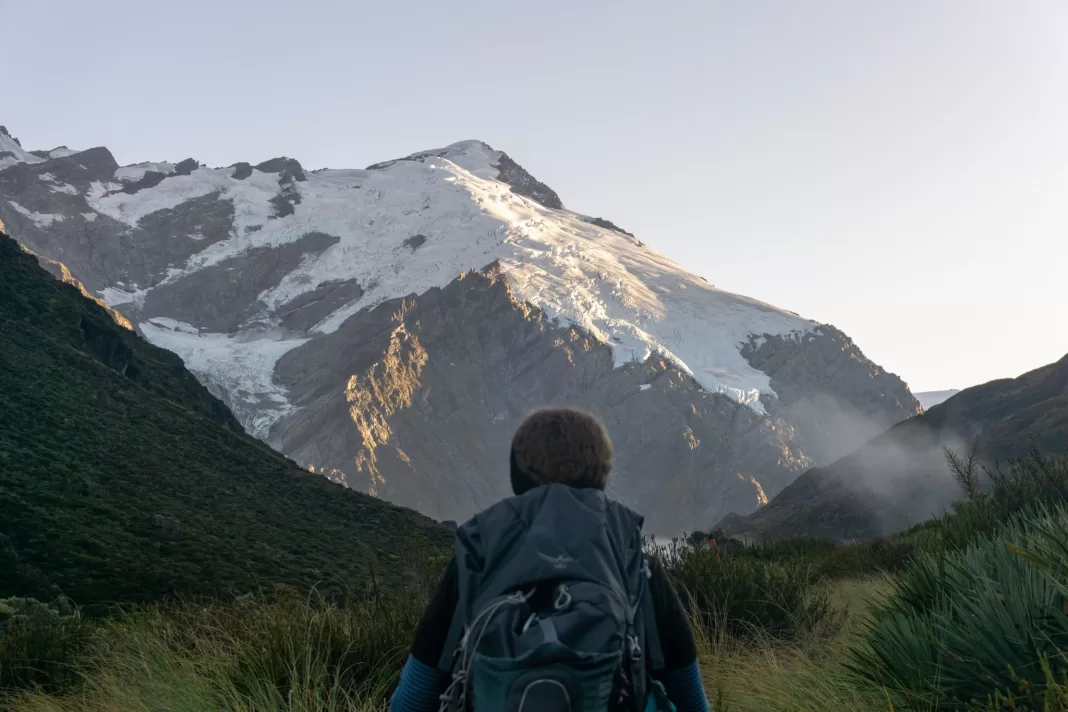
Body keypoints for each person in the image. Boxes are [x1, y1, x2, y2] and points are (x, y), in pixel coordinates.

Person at [390, 407, 710, 712]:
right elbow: (692, 702)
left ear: (518, 481)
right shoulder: (639, 569)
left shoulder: (474, 564)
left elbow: (411, 702)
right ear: (599, 480)